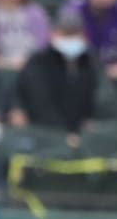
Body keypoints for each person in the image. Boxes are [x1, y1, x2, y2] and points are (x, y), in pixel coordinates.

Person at [11, 8, 97, 146]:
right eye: (66, 34)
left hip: (82, 135)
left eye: (75, 34)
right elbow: (40, 104)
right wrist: (63, 136)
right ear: (53, 34)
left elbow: (102, 100)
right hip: (45, 134)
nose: (70, 39)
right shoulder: (38, 62)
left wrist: (90, 126)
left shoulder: (91, 61)